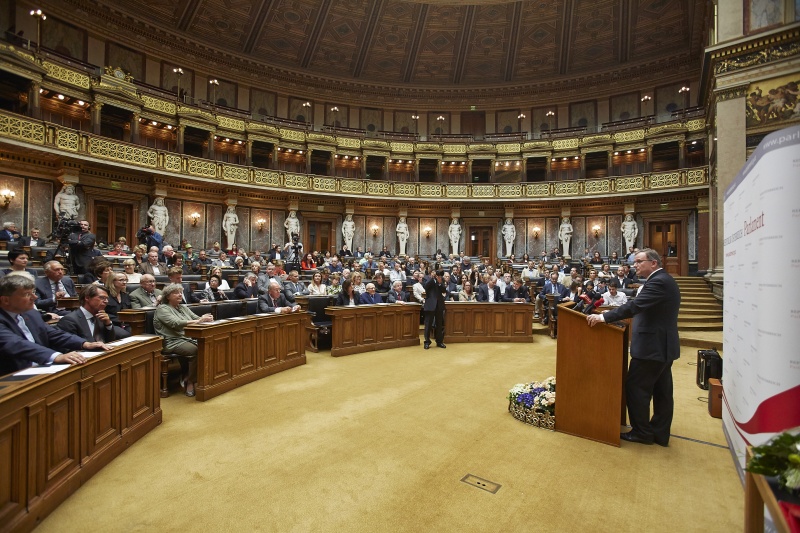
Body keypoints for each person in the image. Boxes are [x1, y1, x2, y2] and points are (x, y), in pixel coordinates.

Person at [587, 249, 681, 446]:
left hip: (652, 348)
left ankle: (642, 433)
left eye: (639, 261)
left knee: (636, 387)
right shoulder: (663, 280)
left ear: (653, 263)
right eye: (634, 262)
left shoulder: (659, 281)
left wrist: (603, 317)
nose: (634, 265)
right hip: (660, 346)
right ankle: (659, 433)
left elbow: (634, 306)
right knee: (662, 391)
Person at [0, 274, 110, 375]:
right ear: (5, 300)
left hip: (41, 370)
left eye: (33, 292)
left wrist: (84, 344)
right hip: (11, 377)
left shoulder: (31, 314)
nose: (35, 297)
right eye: (27, 294)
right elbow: (15, 344)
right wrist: (56, 356)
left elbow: (53, 333)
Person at [154, 283, 214, 397]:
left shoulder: (183, 307)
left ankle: (192, 377)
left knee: (207, 345)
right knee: (196, 350)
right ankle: (190, 381)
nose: (180, 295)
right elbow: (175, 323)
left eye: (181, 292)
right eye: (176, 293)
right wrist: (200, 320)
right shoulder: (162, 309)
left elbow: (196, 318)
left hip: (186, 338)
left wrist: (206, 318)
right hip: (171, 342)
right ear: (167, 296)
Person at [57, 285, 130, 342]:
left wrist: (108, 325)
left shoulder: (100, 317)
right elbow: (68, 347)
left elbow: (110, 341)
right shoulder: (69, 320)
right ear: (87, 298)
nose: (106, 301)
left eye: (107, 298)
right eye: (102, 298)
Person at [422, 269, 446, 349]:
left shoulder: (440, 280)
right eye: (433, 273)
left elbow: (443, 290)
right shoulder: (427, 279)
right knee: (428, 324)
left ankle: (439, 341)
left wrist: (439, 283)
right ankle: (427, 342)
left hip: (439, 305)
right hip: (430, 305)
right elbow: (426, 287)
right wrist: (432, 278)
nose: (436, 275)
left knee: (439, 324)